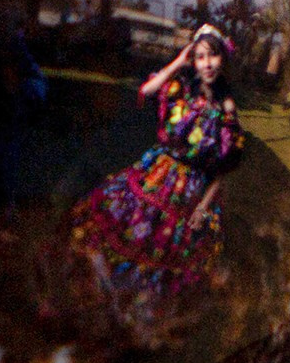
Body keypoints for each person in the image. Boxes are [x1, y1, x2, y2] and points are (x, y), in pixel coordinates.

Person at [69, 23, 242, 308]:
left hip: (191, 192)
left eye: (213, 55)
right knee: (131, 230)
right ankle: (106, 291)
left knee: (166, 255)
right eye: (200, 56)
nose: (207, 63)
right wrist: (178, 61)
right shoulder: (182, 88)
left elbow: (222, 168)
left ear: (223, 57)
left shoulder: (226, 107)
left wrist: (202, 206)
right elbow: (148, 90)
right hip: (158, 174)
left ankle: (142, 304)